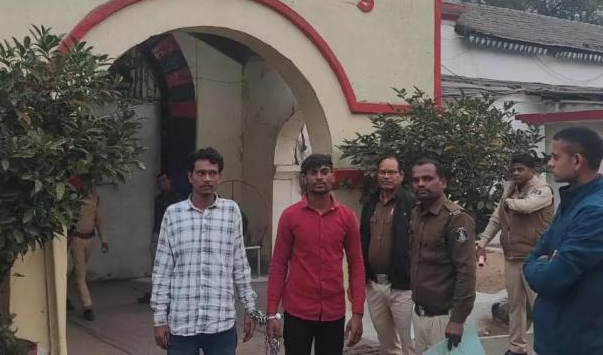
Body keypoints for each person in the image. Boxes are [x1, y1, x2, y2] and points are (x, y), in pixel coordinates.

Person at [523, 127, 603, 355]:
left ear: (577, 161)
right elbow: (535, 253)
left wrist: (541, 265)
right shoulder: (572, 203)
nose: (550, 163)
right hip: (555, 338)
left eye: (555, 157)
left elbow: (552, 278)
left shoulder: (597, 214)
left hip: (578, 343)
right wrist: (541, 261)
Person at [150, 147, 257, 354]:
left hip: (221, 324)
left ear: (219, 177)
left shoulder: (231, 212)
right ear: (190, 177)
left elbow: (240, 265)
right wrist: (159, 318)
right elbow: (162, 271)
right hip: (182, 324)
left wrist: (250, 308)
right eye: (201, 173)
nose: (207, 178)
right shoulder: (173, 214)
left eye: (212, 173)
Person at [266, 153, 366, 354]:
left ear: (333, 176)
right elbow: (278, 264)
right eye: (313, 172)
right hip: (297, 311)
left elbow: (356, 265)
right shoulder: (290, 216)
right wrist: (271, 313)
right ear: (305, 178)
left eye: (324, 171)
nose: (319, 177)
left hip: (333, 312)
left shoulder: (347, 217)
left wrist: (357, 312)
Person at [477, 154, 553, 355]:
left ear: (532, 170)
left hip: (536, 258)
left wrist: (507, 201)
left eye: (521, 169)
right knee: (515, 306)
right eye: (514, 170)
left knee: (541, 306)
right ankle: (517, 348)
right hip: (512, 257)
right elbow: (497, 219)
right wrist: (483, 242)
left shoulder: (543, 190)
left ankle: (548, 348)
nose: (516, 173)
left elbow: (527, 206)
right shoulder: (510, 191)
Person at [409, 158, 476, 353]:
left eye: (427, 178)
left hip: (444, 319)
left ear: (443, 182)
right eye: (416, 180)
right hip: (419, 315)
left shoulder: (456, 219)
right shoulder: (416, 214)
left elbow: (466, 271)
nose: (421, 184)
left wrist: (458, 319)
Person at [360, 156, 416, 355]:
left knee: (410, 345)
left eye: (391, 172)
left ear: (401, 176)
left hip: (403, 287)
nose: (386, 176)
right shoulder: (370, 204)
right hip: (375, 285)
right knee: (387, 345)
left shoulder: (412, 204)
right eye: (382, 172)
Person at [67, 176, 109, 321]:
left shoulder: (94, 197)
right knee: (80, 274)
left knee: (77, 271)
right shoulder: (72, 199)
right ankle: (87, 307)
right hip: (76, 239)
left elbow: (97, 218)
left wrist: (103, 239)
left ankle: (65, 297)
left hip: (90, 239)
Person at [139, 172, 179, 303]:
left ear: (169, 181)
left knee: (172, 265)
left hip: (171, 236)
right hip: (158, 234)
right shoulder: (158, 199)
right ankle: (156, 293)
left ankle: (171, 294)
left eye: (164, 180)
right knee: (156, 265)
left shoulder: (176, 199)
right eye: (159, 182)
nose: (162, 184)